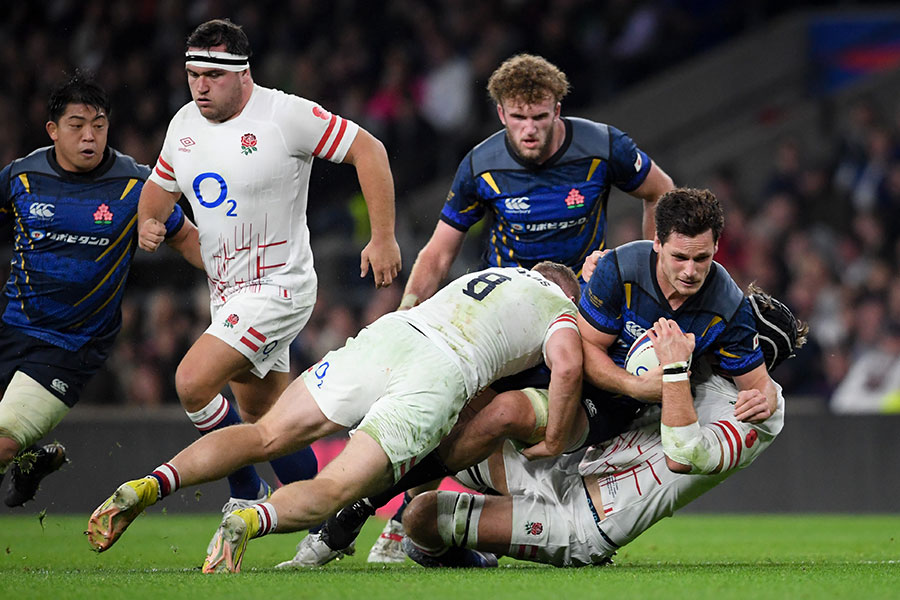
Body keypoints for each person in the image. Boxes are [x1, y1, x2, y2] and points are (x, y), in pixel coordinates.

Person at [303, 52, 674, 567]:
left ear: (558, 108)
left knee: (587, 414)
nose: (529, 129)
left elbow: (662, 192)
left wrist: (639, 265)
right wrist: (405, 313)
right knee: (445, 417)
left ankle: (582, 514)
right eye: (518, 117)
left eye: (540, 117)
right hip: (506, 330)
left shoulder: (603, 146)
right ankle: (404, 514)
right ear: (500, 112)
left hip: (579, 316)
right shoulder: (481, 163)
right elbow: (438, 252)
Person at [86, 262, 585, 574]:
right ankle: (248, 518)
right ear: (569, 292)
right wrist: (556, 436)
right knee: (335, 489)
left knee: (264, 434)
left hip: (392, 334)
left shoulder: (493, 274)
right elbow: (565, 366)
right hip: (437, 373)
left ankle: (149, 485)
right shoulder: (562, 307)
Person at [134, 18, 402, 525]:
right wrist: (151, 223)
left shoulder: (284, 115)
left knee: (192, 382)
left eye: (212, 74)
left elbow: (370, 149)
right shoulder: (184, 124)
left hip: (280, 287)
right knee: (266, 423)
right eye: (193, 73)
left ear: (243, 74)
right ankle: (328, 517)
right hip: (228, 292)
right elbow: (158, 188)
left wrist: (383, 236)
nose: (200, 85)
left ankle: (244, 487)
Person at [400, 288, 807, 568]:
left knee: (422, 519)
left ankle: (477, 553)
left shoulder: (762, 413)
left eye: (734, 321)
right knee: (458, 413)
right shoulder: (693, 350)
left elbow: (687, 455)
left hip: (583, 521)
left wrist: (677, 371)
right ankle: (368, 504)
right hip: (558, 464)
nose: (719, 319)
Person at [0, 73, 199, 507]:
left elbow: (187, 238)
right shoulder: (20, 178)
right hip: (10, 326)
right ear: (52, 130)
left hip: (72, 345)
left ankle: (20, 455)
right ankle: (30, 463)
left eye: (99, 124)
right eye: (77, 125)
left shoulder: (137, 186)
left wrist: (239, 279)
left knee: (2, 441)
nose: (89, 136)